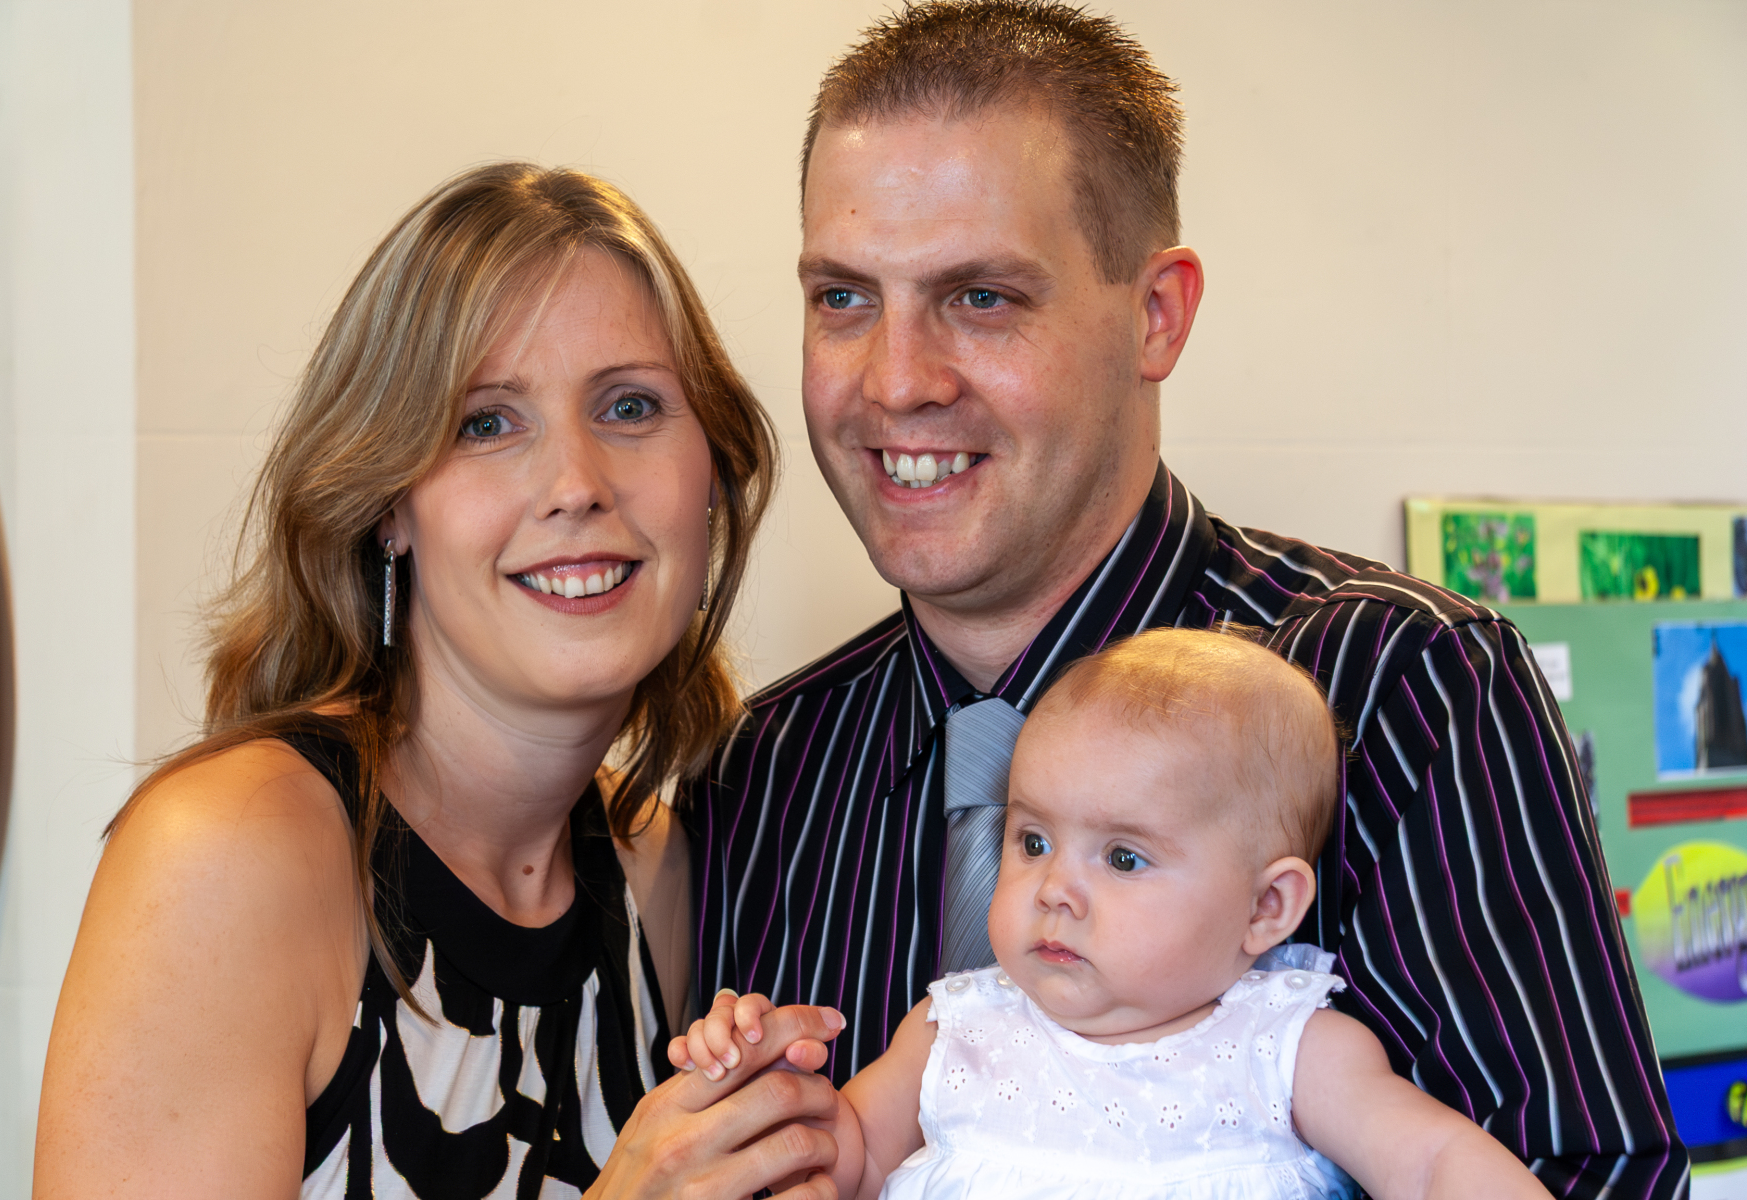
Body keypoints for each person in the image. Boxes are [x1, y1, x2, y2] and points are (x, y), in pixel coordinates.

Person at [682, 3, 1686, 1197]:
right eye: (844, 298)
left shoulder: (1407, 690)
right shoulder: (765, 770)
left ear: (1156, 315)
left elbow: (1590, 1176)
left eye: (982, 296)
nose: (897, 382)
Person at [34, 162, 845, 1199]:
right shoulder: (228, 856)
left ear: (714, 480)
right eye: (487, 422)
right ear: (388, 505)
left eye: (631, 405)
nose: (576, 485)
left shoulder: (659, 873)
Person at [679, 629, 1556, 1200]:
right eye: (1032, 841)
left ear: (1266, 908)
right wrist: (766, 1083)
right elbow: (850, 1160)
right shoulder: (953, 1029)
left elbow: (1433, 1164)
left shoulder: (1286, 1048)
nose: (1055, 888)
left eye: (1124, 858)